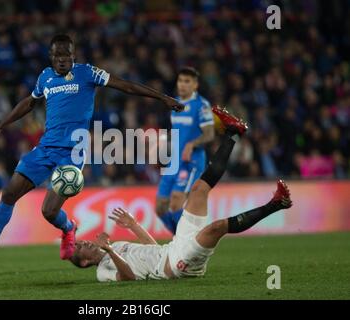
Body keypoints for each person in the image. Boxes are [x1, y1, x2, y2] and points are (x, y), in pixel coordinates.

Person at [0, 34, 184, 270]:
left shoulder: (88, 73)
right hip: (46, 148)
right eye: (58, 55)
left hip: (72, 152)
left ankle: (68, 228)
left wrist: (162, 98)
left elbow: (125, 85)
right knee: (8, 194)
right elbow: (29, 102)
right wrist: (1, 126)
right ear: (51, 57)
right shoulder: (45, 77)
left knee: (48, 211)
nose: (63, 60)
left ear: (73, 55)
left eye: (67, 55)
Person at [68, 106, 293, 281]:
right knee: (216, 228)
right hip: (173, 267)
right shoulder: (103, 271)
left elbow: (152, 249)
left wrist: (134, 225)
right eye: (80, 248)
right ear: (86, 262)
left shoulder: (115, 247)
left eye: (79, 242)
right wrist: (109, 250)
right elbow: (127, 277)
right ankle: (276, 204)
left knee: (198, 190)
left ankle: (233, 132)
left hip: (172, 248)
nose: (84, 242)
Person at [156, 67, 215, 233]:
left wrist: (192, 144)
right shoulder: (175, 104)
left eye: (187, 81)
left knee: (176, 203)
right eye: (180, 80)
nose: (182, 85)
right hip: (174, 161)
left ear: (195, 85)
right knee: (160, 207)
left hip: (191, 161)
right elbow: (178, 132)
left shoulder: (201, 105)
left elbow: (209, 134)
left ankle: (188, 241)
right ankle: (181, 240)